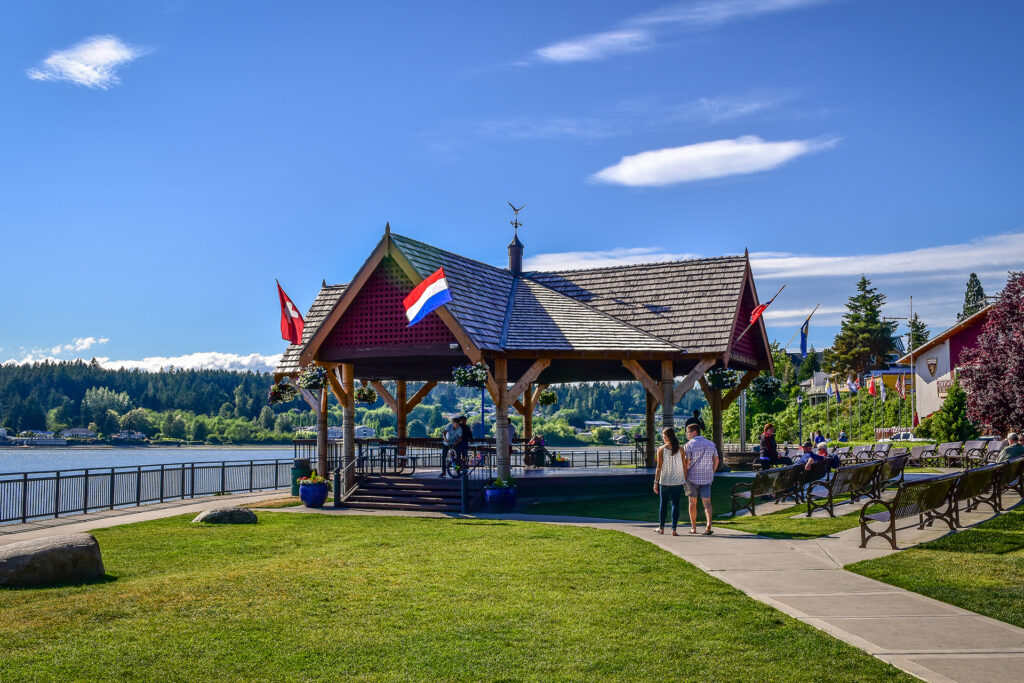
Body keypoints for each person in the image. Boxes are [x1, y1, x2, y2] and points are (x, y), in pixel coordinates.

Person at [683, 422, 719, 535]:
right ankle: (708, 525)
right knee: (707, 503)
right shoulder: (710, 444)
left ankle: (693, 528)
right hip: (707, 478)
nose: (686, 435)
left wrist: (684, 475)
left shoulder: (688, 445)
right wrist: (711, 472)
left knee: (692, 503)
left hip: (692, 478)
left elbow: (686, 463)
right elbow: (716, 460)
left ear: (694, 432)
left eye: (687, 432)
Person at [652, 427, 686, 536]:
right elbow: (684, 465)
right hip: (677, 480)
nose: (663, 438)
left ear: (666, 437)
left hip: (665, 480)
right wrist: (684, 478)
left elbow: (659, 467)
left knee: (663, 504)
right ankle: (674, 529)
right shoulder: (681, 449)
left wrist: (655, 482)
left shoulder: (661, 449)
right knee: (675, 504)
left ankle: (661, 528)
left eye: (663, 436)